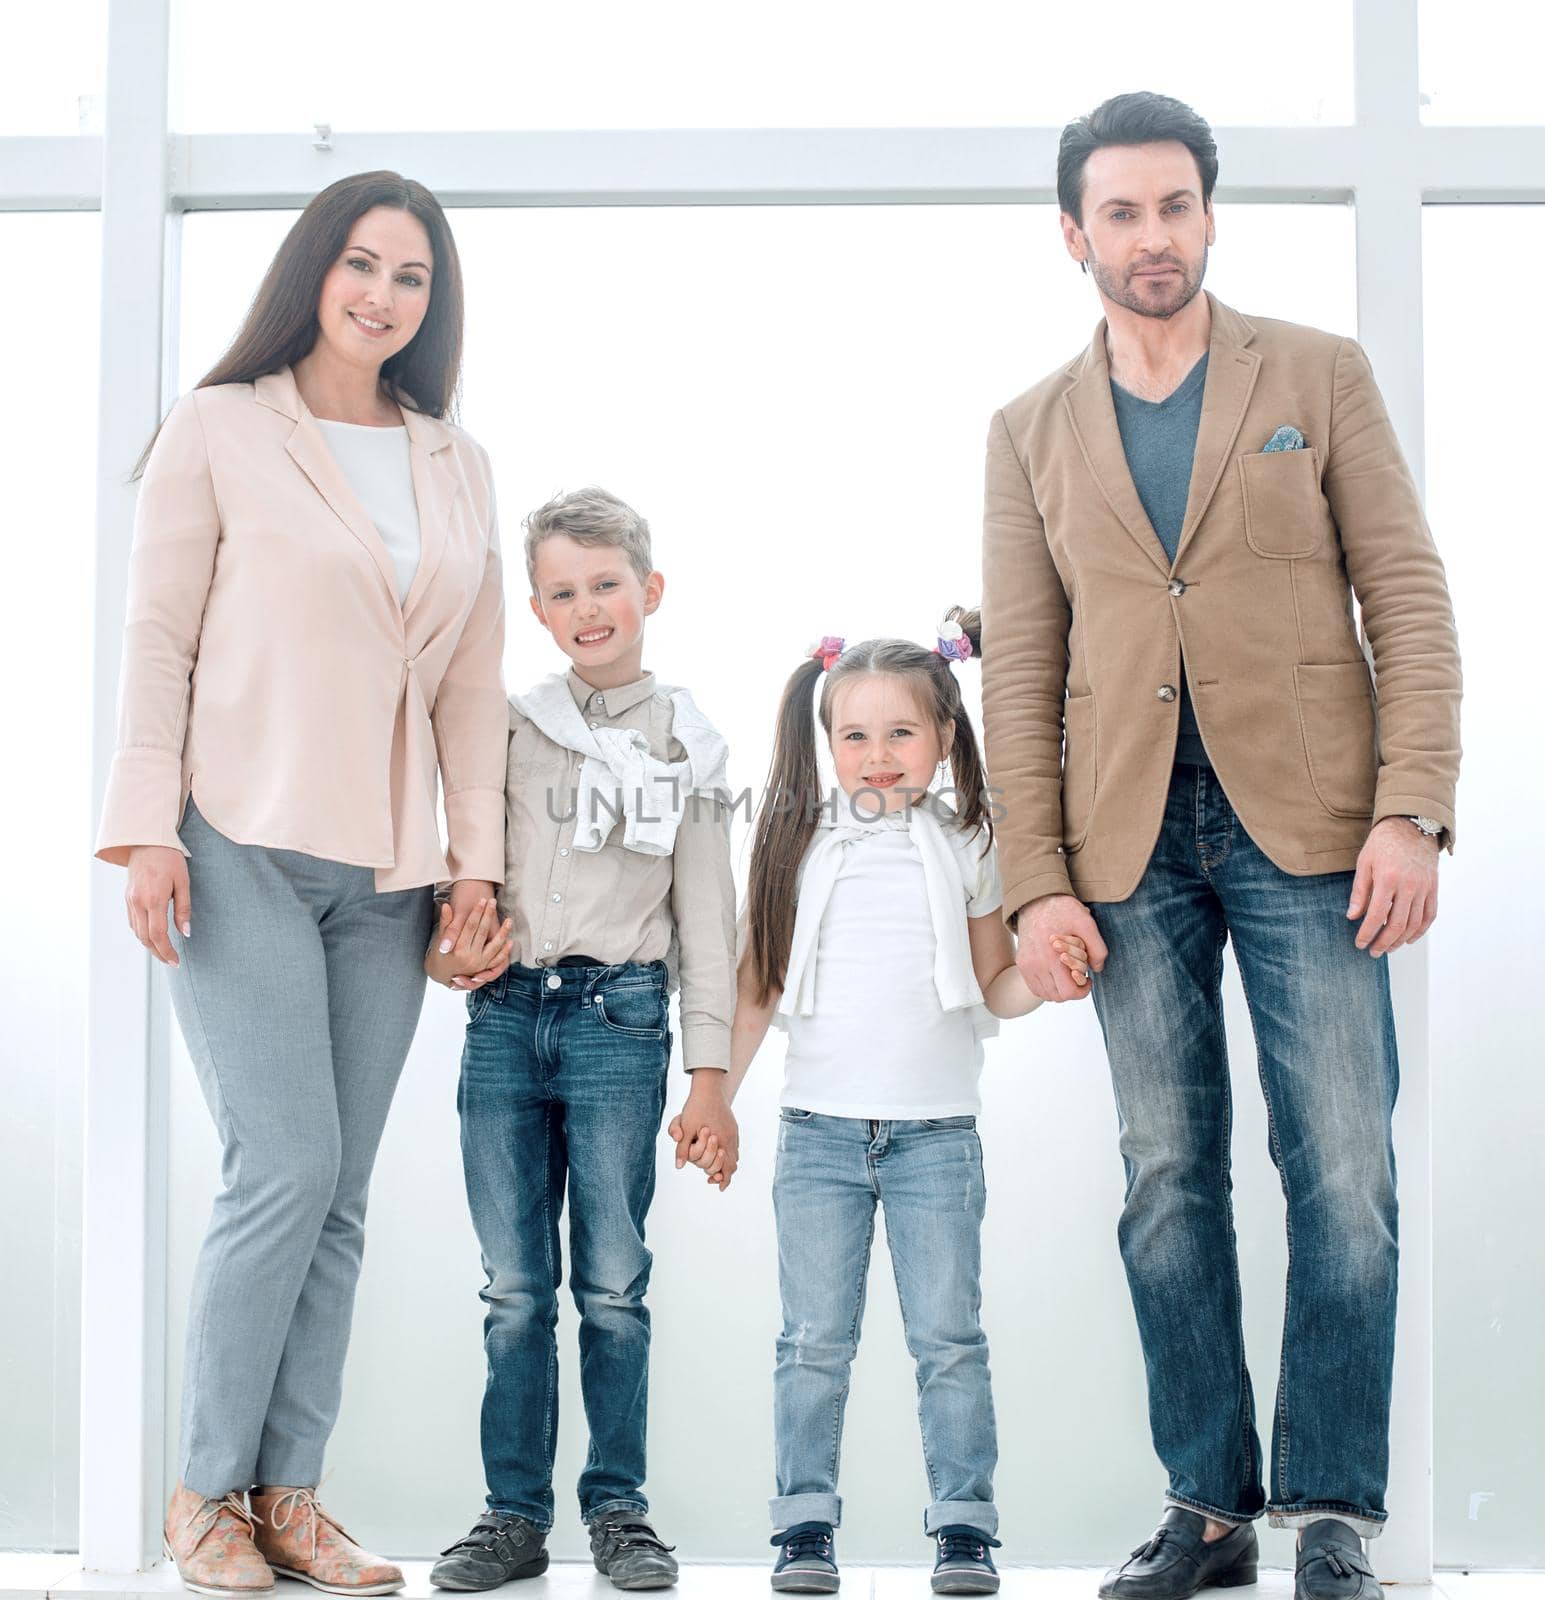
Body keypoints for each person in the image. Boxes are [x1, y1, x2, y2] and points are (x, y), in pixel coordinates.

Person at [980, 93, 1462, 1600]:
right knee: (1166, 1173)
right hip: (1126, 845)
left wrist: (1412, 806)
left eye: (1173, 206)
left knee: (1344, 1170)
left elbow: (1409, 595)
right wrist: (1033, 881)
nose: (1150, 237)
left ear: (1208, 214)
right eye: (1118, 213)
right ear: (1074, 235)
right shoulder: (1028, 430)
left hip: (1313, 828)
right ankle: (1206, 1508)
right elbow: (1016, 671)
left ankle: (1330, 1513)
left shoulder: (1315, 375)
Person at [95, 171, 510, 1595]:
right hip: (238, 838)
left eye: (410, 275)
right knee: (282, 1165)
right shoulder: (219, 428)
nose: (383, 294)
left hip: (391, 871)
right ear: (310, 273)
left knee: (337, 1193)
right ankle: (201, 1494)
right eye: (360, 264)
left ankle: (289, 1495)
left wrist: (479, 866)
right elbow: (157, 636)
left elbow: (470, 684)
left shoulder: (455, 460)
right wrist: (145, 826)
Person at [706, 615, 1087, 1597]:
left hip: (935, 1141)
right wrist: (717, 1095)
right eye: (856, 737)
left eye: (902, 735)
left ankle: (965, 1527)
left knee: (949, 1342)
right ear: (826, 742)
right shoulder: (796, 838)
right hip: (820, 1135)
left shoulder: (966, 839)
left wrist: (1040, 979)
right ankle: (802, 1527)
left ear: (945, 738)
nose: (878, 757)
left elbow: (993, 979)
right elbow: (758, 980)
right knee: (812, 1343)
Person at [428, 488, 737, 1593]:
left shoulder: (688, 745)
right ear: (538, 608)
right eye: (562, 591)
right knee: (516, 1284)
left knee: (612, 1282)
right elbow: (457, 881)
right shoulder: (509, 726)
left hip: (621, 1020)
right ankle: (512, 1515)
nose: (587, 606)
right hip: (507, 1017)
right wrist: (446, 951)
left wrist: (710, 1079)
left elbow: (710, 922)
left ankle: (617, 1510)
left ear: (649, 592)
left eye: (606, 583)